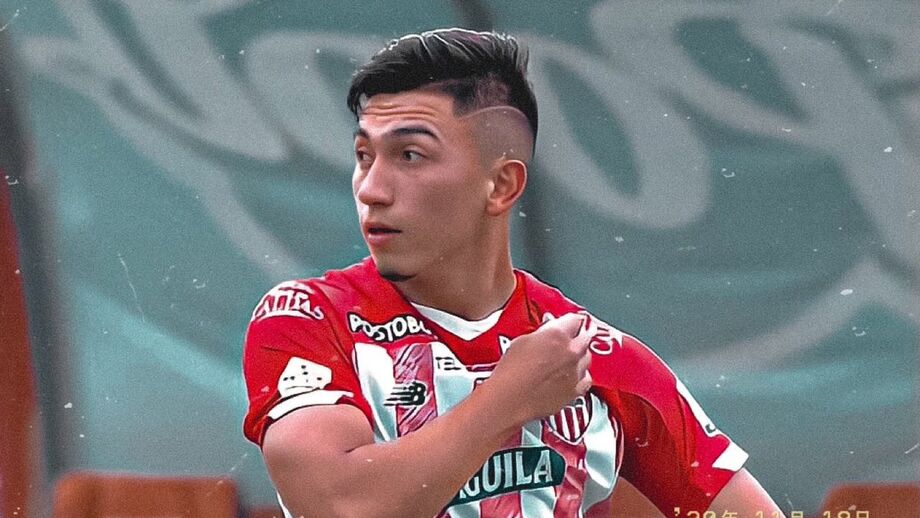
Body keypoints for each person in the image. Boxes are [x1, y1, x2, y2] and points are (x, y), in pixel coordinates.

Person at [242, 28, 784, 518]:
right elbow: (338, 506)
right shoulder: (308, 318)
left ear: (501, 186)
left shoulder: (594, 357)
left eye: (409, 155)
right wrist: (505, 400)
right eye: (365, 156)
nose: (371, 189)